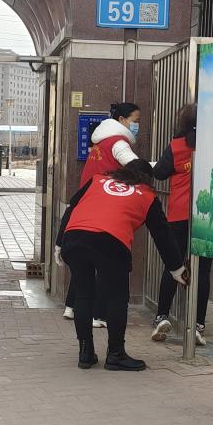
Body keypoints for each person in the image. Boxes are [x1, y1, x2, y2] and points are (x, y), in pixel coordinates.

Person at [56, 160, 186, 372]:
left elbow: (71, 208)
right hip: (111, 242)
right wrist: (177, 268)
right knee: (116, 298)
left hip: (75, 238)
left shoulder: (98, 180)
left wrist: (59, 243)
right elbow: (162, 234)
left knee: (83, 295)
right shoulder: (147, 195)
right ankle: (115, 354)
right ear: (147, 179)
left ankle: (85, 353)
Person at [64, 102, 142, 327]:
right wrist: (155, 168)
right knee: (105, 263)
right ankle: (98, 315)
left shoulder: (100, 142)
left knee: (84, 263)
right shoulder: (118, 142)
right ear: (122, 120)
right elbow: (134, 165)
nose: (137, 125)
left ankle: (71, 306)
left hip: (85, 203)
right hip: (105, 207)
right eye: (135, 120)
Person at [151, 103, 213, 345]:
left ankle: (162, 316)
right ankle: (198, 325)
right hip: (206, 216)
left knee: (174, 265)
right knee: (203, 271)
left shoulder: (176, 146)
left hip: (178, 213)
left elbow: (159, 173)